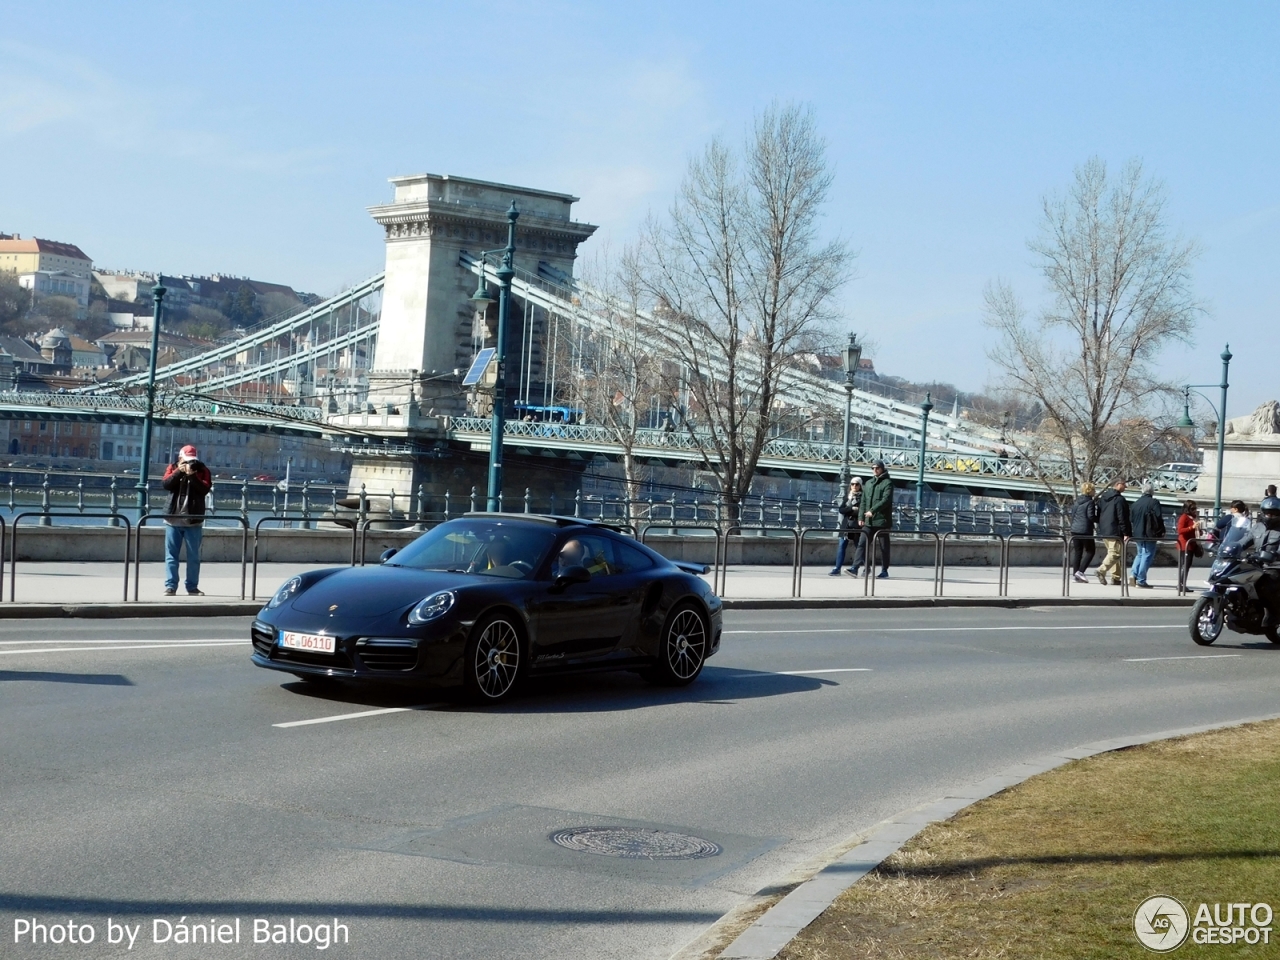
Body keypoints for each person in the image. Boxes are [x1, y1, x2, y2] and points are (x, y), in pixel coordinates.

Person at [161, 444, 212, 596]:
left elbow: (204, 490)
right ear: (180, 458)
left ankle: (192, 587)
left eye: (192, 460)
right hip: (173, 519)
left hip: (193, 520)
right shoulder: (173, 467)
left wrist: (191, 476)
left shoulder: (202, 470)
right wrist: (179, 472)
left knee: (194, 557)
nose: (190, 463)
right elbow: (166, 484)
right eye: (187, 460)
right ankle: (171, 586)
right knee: (171, 556)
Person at [1235, 496, 1280, 628]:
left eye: (1273, 513)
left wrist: (1274, 555)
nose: (1269, 515)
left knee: (1265, 586)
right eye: (1267, 512)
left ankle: (1274, 614)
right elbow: (1243, 542)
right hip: (1256, 565)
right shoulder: (1257, 527)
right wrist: (1228, 548)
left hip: (1275, 567)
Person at [1128, 482, 1166, 588]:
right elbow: (1159, 518)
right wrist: (1162, 530)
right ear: (1152, 491)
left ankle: (1133, 574)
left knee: (1140, 554)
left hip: (1137, 533)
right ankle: (1141, 580)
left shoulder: (1135, 504)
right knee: (1147, 555)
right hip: (1150, 533)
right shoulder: (1154, 502)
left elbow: (1131, 519)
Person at [861, 460, 894, 578]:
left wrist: (873, 510)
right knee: (862, 544)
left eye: (877, 468)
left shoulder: (887, 483)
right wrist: (861, 517)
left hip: (882, 521)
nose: (875, 470)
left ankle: (884, 570)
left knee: (884, 547)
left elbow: (886, 500)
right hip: (869, 521)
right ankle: (865, 568)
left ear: (882, 469)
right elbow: (863, 502)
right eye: (873, 468)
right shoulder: (869, 483)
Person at [1095, 480, 1131, 586]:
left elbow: (1099, 513)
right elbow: (1122, 517)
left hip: (1105, 529)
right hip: (1115, 530)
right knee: (1115, 554)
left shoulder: (1104, 498)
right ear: (1117, 484)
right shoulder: (1119, 500)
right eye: (1124, 484)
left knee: (1113, 553)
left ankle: (1116, 577)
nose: (1125, 487)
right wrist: (1126, 532)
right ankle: (1101, 571)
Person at [829, 478, 864, 576]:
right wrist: (852, 508)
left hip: (857, 525)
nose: (854, 486)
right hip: (846, 525)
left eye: (856, 484)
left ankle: (867, 568)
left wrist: (851, 510)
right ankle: (837, 568)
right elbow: (841, 510)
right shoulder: (847, 497)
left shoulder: (864, 497)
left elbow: (862, 510)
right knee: (842, 545)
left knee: (859, 547)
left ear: (860, 486)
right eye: (852, 484)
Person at [1068, 481, 1099, 584]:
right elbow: (1091, 516)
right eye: (1094, 490)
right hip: (1085, 530)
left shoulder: (1077, 501)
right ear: (1090, 491)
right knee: (1091, 551)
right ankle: (1080, 572)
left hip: (1075, 530)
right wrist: (1098, 519)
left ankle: (1075, 576)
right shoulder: (1090, 502)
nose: (1095, 492)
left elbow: (1073, 515)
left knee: (1078, 553)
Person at [1176, 500, 1200, 593]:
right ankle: (1181, 584)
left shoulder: (1193, 518)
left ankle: (1183, 584)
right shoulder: (1184, 517)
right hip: (1184, 544)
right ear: (1187, 509)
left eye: (1195, 508)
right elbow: (1180, 530)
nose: (1194, 510)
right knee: (1185, 565)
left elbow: (1195, 530)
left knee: (1188, 565)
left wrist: (1198, 529)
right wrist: (1191, 528)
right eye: (1192, 508)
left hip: (1191, 544)